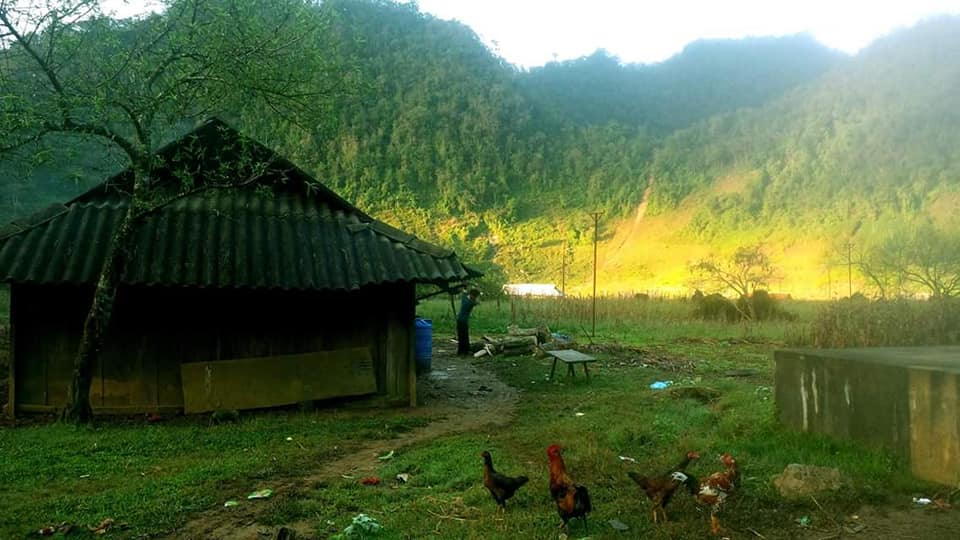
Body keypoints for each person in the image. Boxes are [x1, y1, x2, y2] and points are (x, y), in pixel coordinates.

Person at [457, 287, 481, 356]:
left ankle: (460, 351)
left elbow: (464, 292)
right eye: (475, 296)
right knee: (464, 336)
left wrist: (465, 289)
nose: (475, 298)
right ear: (473, 296)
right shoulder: (471, 303)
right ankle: (465, 351)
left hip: (459, 320)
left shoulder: (465, 298)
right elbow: (477, 302)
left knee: (461, 336)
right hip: (463, 321)